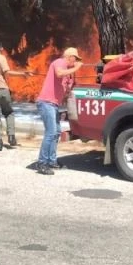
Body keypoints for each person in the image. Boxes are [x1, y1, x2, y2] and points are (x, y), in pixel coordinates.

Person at [36, 46, 83, 174]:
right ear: (69, 57)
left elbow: (65, 90)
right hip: (46, 102)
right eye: (76, 58)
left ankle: (52, 161)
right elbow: (59, 73)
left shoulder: (67, 72)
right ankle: (42, 163)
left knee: (56, 132)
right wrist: (76, 68)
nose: (76, 61)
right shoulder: (60, 62)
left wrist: (70, 85)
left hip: (54, 104)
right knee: (51, 132)